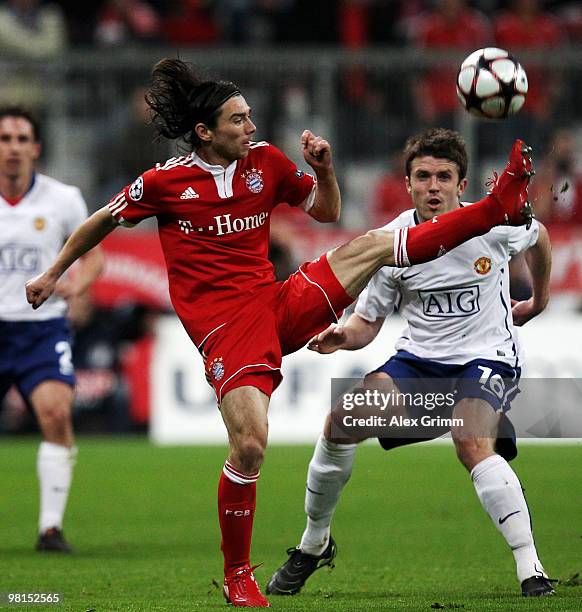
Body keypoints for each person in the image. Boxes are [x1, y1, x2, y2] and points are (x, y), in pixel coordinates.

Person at [25, 59, 534, 607]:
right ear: (206, 132)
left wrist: (325, 170)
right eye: (240, 120)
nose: (252, 127)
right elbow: (102, 219)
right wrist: (55, 272)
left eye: (250, 117)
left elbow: (326, 210)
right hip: (225, 329)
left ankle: (492, 208)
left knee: (376, 244)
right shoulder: (163, 183)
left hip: (278, 302)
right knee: (249, 446)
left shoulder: (264, 163)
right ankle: (238, 573)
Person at [266, 128, 554, 599]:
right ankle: (313, 544)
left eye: (444, 176)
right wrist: (344, 336)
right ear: (408, 183)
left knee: (470, 439)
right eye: (423, 176)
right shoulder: (391, 242)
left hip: (487, 360)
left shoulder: (493, 224)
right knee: (341, 421)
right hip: (419, 364)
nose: (433, 186)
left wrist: (538, 300)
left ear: (462, 185)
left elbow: (538, 237)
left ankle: (531, 568)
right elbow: (367, 324)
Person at [0, 106, 103, 552]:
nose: (13, 148)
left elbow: (95, 255)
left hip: (40, 330)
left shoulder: (64, 200)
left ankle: (50, 528)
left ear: (36, 148)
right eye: (5, 139)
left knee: (57, 413)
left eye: (22, 139)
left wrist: (78, 284)